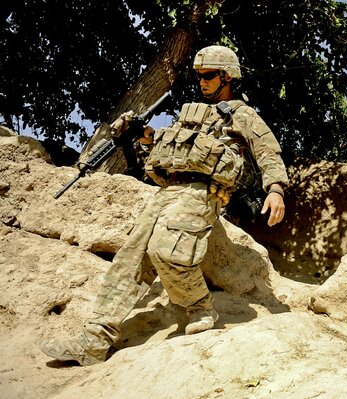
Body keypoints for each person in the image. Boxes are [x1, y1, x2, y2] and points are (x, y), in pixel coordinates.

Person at [40, 45, 289, 366]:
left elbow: (267, 152)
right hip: (169, 190)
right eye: (199, 76)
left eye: (209, 76)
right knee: (131, 258)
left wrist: (276, 189)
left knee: (165, 250)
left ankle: (199, 306)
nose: (202, 82)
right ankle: (94, 341)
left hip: (205, 191)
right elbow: (167, 146)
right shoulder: (192, 114)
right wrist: (143, 135)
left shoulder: (242, 114)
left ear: (227, 77)